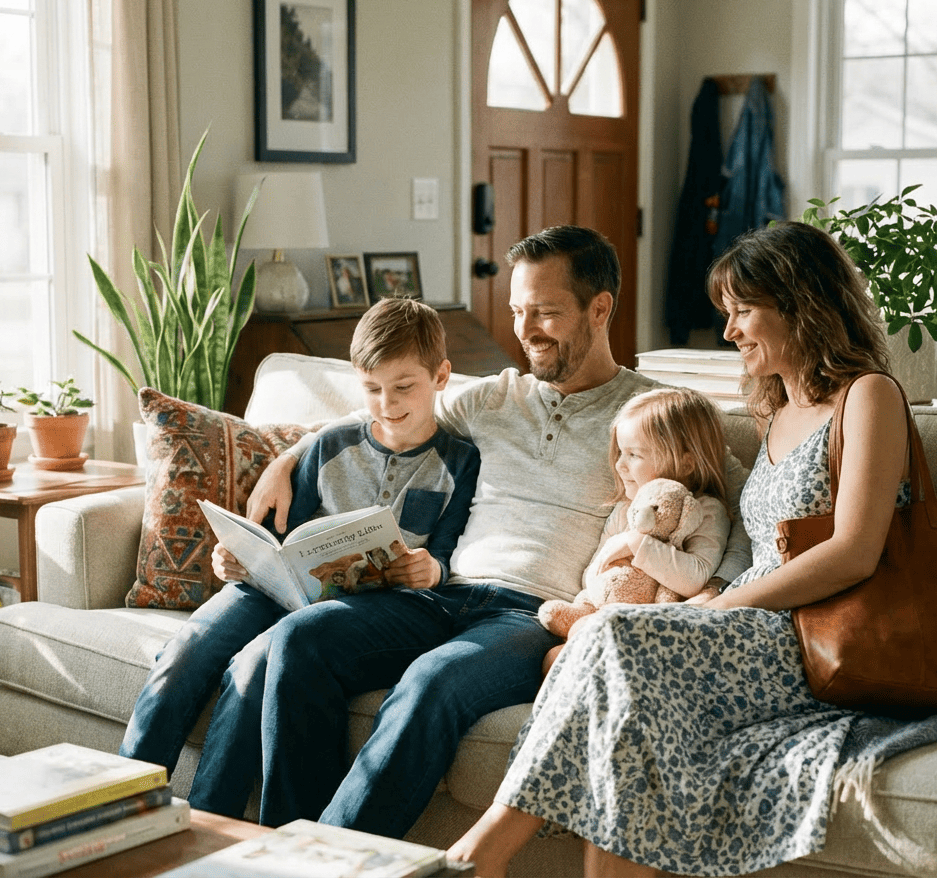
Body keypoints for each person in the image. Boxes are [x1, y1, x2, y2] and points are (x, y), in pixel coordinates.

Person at [447, 221, 937, 878]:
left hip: (812, 636)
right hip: (748, 626)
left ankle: (482, 852)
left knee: (612, 638)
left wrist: (718, 607)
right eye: (727, 313)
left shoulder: (868, 395)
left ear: (800, 305)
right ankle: (487, 856)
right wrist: (711, 599)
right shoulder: (777, 409)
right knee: (614, 686)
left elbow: (854, 551)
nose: (730, 330)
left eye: (743, 311)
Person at [238, 225, 754, 836]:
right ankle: (282, 851)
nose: (525, 329)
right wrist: (287, 458)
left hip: (531, 617)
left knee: (432, 682)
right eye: (516, 311)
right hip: (440, 593)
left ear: (600, 308)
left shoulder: (655, 411)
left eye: (545, 312)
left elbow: (738, 499)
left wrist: (715, 588)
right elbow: (382, 414)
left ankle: (335, 860)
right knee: (298, 639)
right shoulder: (492, 398)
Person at [118, 297, 481, 821]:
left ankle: (210, 822)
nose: (386, 404)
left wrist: (432, 570)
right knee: (187, 649)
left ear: (440, 377)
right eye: (372, 389)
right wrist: (238, 561)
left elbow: (446, 554)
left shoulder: (461, 461)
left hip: (361, 611)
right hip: (275, 591)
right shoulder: (329, 444)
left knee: (252, 667)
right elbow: (279, 538)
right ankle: (122, 805)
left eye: (404, 387)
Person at [539, 386, 732, 674]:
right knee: (554, 657)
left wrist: (636, 543)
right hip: (608, 613)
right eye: (620, 452)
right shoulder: (625, 509)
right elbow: (592, 576)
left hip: (658, 624)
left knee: (580, 639)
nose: (619, 465)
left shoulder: (705, 511)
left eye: (633, 455)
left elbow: (696, 578)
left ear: (686, 462)